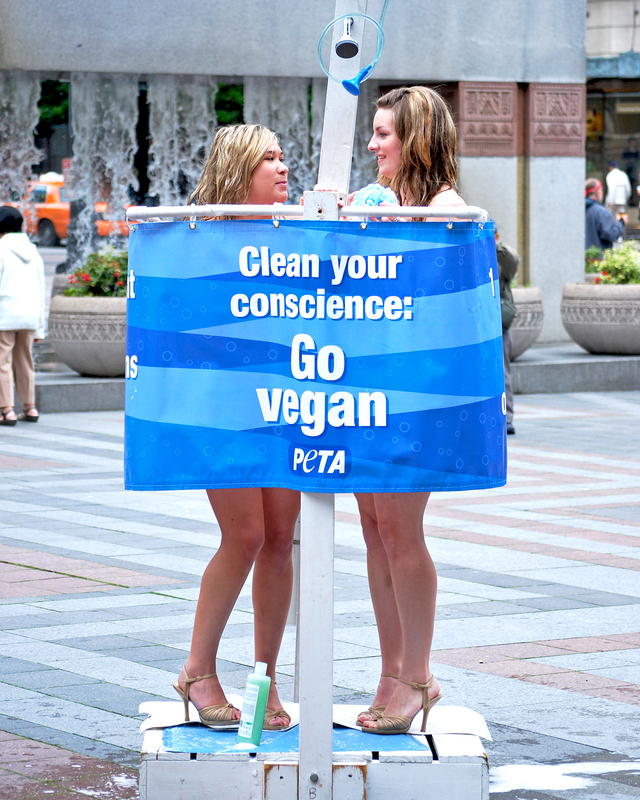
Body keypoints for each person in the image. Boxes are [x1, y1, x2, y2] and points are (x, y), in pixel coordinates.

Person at [172, 125, 298, 731]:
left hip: (286, 398)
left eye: (282, 155)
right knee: (245, 535)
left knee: (280, 538)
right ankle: (197, 669)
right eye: (268, 158)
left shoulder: (295, 232)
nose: (282, 166)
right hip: (223, 405)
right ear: (238, 169)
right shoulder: (199, 236)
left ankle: (264, 683)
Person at [352, 87, 464, 736]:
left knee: (400, 529)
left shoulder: (445, 208)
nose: (372, 145)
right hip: (372, 383)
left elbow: (444, 295)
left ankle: (418, 675)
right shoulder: (386, 201)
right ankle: (393, 670)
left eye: (384, 134)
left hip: (413, 391)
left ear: (417, 138)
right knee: (375, 528)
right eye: (373, 132)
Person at [0, 206, 44, 426]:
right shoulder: (34, 252)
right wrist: (40, 328)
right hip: (29, 315)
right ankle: (30, 407)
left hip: (5, 314)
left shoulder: (1, 250)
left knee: (2, 362)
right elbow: (41, 288)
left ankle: (6, 410)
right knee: (25, 361)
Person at [494, 223, 520, 436]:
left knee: (503, 371)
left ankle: (507, 417)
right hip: (477, 319)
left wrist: (496, 246)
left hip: (498, 320)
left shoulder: (501, 257)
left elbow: (514, 261)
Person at [585, 178, 625, 252]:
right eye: (601, 190)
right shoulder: (600, 212)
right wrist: (621, 222)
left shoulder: (578, 211)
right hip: (598, 256)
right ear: (597, 193)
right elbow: (611, 234)